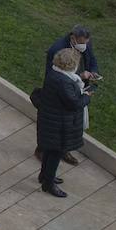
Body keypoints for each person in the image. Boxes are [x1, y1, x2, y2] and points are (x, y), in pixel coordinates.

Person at [34, 48, 90, 199]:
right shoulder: (64, 81)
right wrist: (87, 96)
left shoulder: (55, 74)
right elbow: (73, 103)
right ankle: (48, 183)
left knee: (49, 152)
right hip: (59, 125)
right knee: (55, 154)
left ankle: (45, 176)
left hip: (51, 121)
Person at [38, 25, 99, 164]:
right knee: (53, 126)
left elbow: (92, 59)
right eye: (82, 42)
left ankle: (63, 150)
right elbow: (54, 74)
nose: (85, 45)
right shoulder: (57, 49)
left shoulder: (85, 43)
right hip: (61, 90)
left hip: (78, 84)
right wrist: (79, 75)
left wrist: (93, 72)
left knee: (69, 124)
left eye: (86, 42)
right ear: (73, 38)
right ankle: (43, 151)